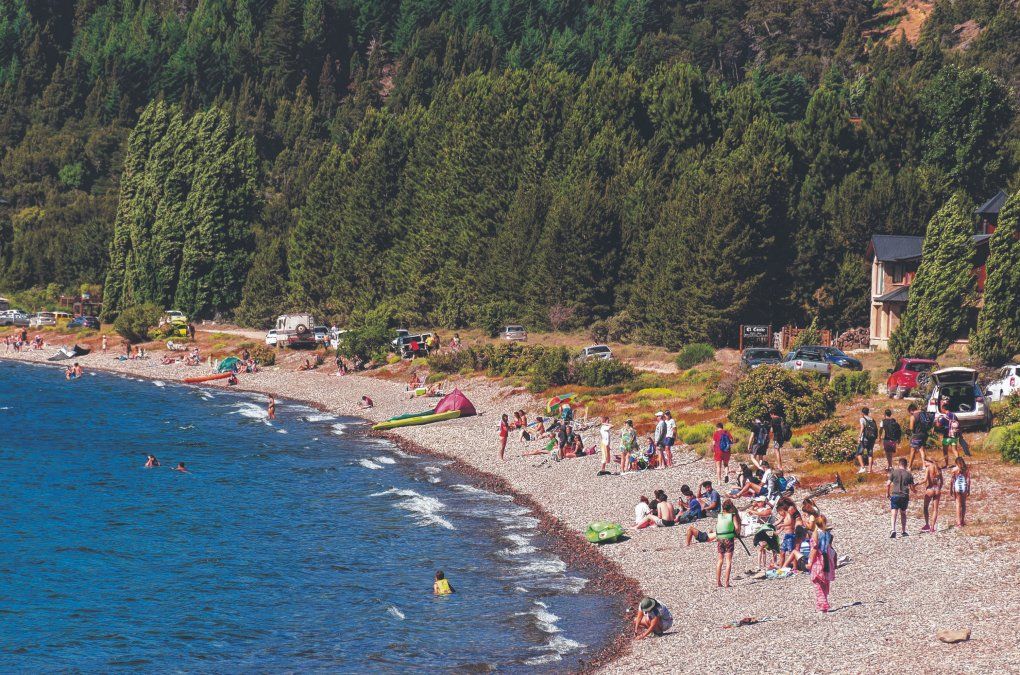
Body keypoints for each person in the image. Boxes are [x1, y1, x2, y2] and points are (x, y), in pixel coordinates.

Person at [807, 514, 836, 612]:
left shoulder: (816, 533)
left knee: (817, 581)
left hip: (818, 559)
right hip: (827, 558)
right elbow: (830, 548)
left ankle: (823, 605)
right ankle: (823, 603)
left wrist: (810, 562)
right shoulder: (828, 534)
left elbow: (814, 549)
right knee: (825, 582)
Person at [715, 499, 741, 588]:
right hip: (729, 538)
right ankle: (726, 582)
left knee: (720, 560)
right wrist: (736, 533)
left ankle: (718, 582)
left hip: (720, 538)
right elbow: (737, 527)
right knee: (728, 561)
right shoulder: (732, 516)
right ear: (730, 508)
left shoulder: (719, 516)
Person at [887, 458, 915, 538]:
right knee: (903, 513)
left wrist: (887, 493)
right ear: (906, 465)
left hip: (895, 494)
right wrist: (915, 490)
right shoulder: (909, 474)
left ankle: (893, 529)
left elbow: (888, 484)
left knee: (894, 512)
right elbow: (912, 487)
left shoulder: (893, 472)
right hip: (904, 495)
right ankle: (903, 531)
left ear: (899, 464)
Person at [921, 457, 943, 533]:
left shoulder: (928, 469)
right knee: (935, 509)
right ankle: (932, 527)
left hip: (930, 489)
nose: (924, 464)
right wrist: (939, 488)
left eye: (925, 462)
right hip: (937, 489)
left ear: (929, 462)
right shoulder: (938, 469)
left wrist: (916, 484)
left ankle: (927, 524)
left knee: (925, 507)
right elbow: (942, 481)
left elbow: (925, 480)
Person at [936, 400, 960, 468]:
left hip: (946, 436)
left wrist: (937, 419)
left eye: (942, 409)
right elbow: (958, 424)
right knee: (955, 450)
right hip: (954, 435)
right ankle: (959, 464)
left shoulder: (944, 417)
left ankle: (947, 464)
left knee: (945, 450)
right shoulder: (954, 415)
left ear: (944, 409)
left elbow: (938, 425)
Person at [949, 457, 971, 528]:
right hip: (964, 486)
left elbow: (952, 480)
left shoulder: (954, 469)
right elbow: (968, 480)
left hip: (957, 487)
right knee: (963, 504)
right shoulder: (966, 469)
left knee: (958, 504)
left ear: (956, 463)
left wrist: (951, 489)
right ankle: (962, 520)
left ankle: (958, 523)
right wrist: (968, 489)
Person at [907, 403, 929, 469]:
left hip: (917, 435)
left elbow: (911, 428)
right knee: (922, 449)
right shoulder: (924, 414)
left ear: (911, 410)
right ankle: (924, 465)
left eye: (909, 412)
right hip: (924, 434)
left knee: (913, 450)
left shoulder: (913, 416)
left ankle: (909, 467)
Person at [856, 407, 878, 474]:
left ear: (862, 412)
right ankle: (870, 470)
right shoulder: (872, 419)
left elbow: (862, 427)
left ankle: (863, 467)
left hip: (865, 438)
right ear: (868, 412)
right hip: (872, 438)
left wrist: (859, 436)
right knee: (870, 454)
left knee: (859, 453)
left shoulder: (862, 419)